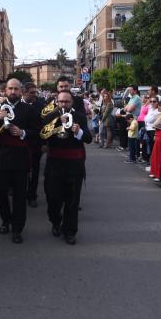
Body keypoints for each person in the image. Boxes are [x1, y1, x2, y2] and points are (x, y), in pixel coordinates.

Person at [0, 78, 39, 243]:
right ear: (5, 90)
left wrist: (22, 132)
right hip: (0, 158)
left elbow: (37, 132)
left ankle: (17, 229)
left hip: (20, 158)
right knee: (0, 193)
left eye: (16, 89)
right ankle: (6, 220)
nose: (13, 92)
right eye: (10, 89)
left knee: (20, 196)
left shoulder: (29, 110)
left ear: (21, 91)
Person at [43, 89, 92, 244]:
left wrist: (79, 132)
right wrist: (57, 122)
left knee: (72, 200)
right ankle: (55, 222)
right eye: (61, 101)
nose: (64, 104)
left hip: (74, 165)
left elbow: (89, 139)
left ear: (72, 102)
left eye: (67, 101)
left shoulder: (80, 117)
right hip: (54, 164)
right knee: (54, 199)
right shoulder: (50, 117)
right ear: (57, 102)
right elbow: (42, 135)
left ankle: (69, 231)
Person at [22, 82, 45, 209]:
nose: (34, 95)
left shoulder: (40, 106)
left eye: (35, 92)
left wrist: (44, 143)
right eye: (32, 93)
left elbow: (44, 125)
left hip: (35, 144)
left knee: (34, 171)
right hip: (19, 145)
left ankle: (32, 195)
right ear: (24, 92)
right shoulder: (16, 106)